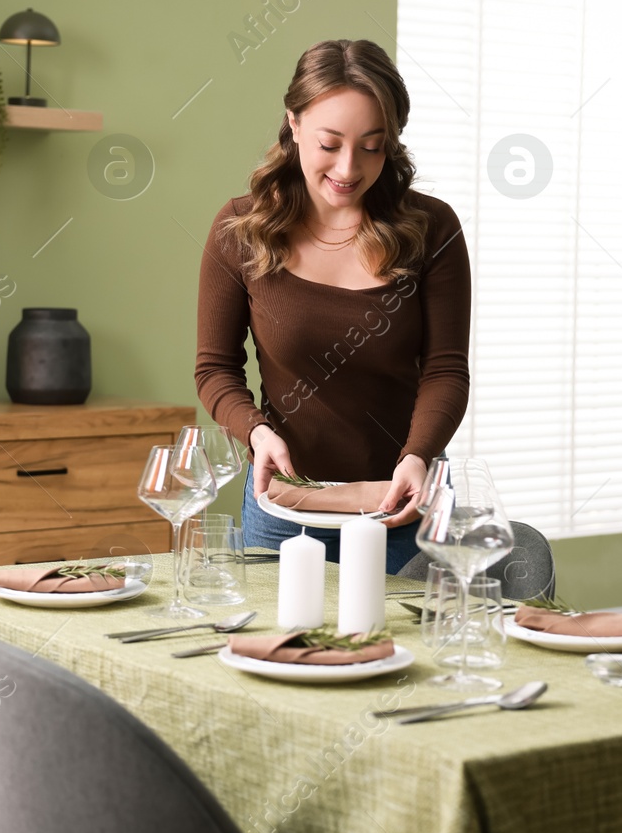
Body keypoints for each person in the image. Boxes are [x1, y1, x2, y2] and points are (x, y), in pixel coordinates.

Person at [195, 38, 471, 573]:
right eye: (329, 143)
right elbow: (215, 368)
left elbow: (445, 368)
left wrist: (418, 455)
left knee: (405, 654)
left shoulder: (432, 228)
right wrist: (256, 431)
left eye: (372, 145)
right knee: (283, 652)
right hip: (285, 507)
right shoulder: (240, 230)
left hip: (402, 504)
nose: (349, 167)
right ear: (293, 124)